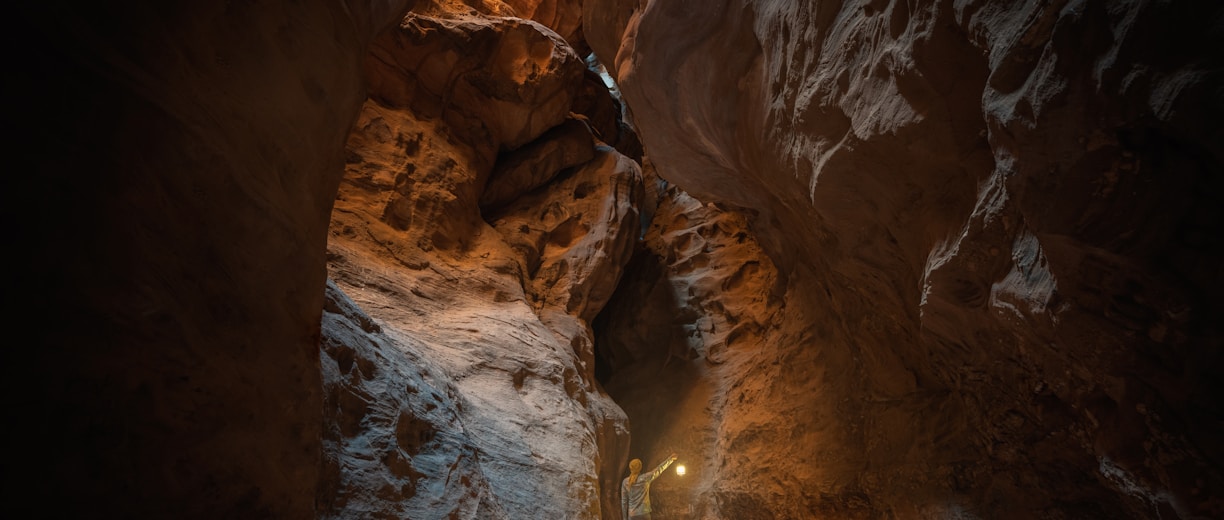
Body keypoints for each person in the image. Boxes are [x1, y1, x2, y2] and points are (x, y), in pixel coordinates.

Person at [621, 452, 678, 520]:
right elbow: (659, 469)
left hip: (632, 515)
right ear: (640, 467)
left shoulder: (625, 482)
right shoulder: (646, 478)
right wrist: (670, 459)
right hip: (644, 514)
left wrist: (624, 518)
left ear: (630, 468)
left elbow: (624, 502)